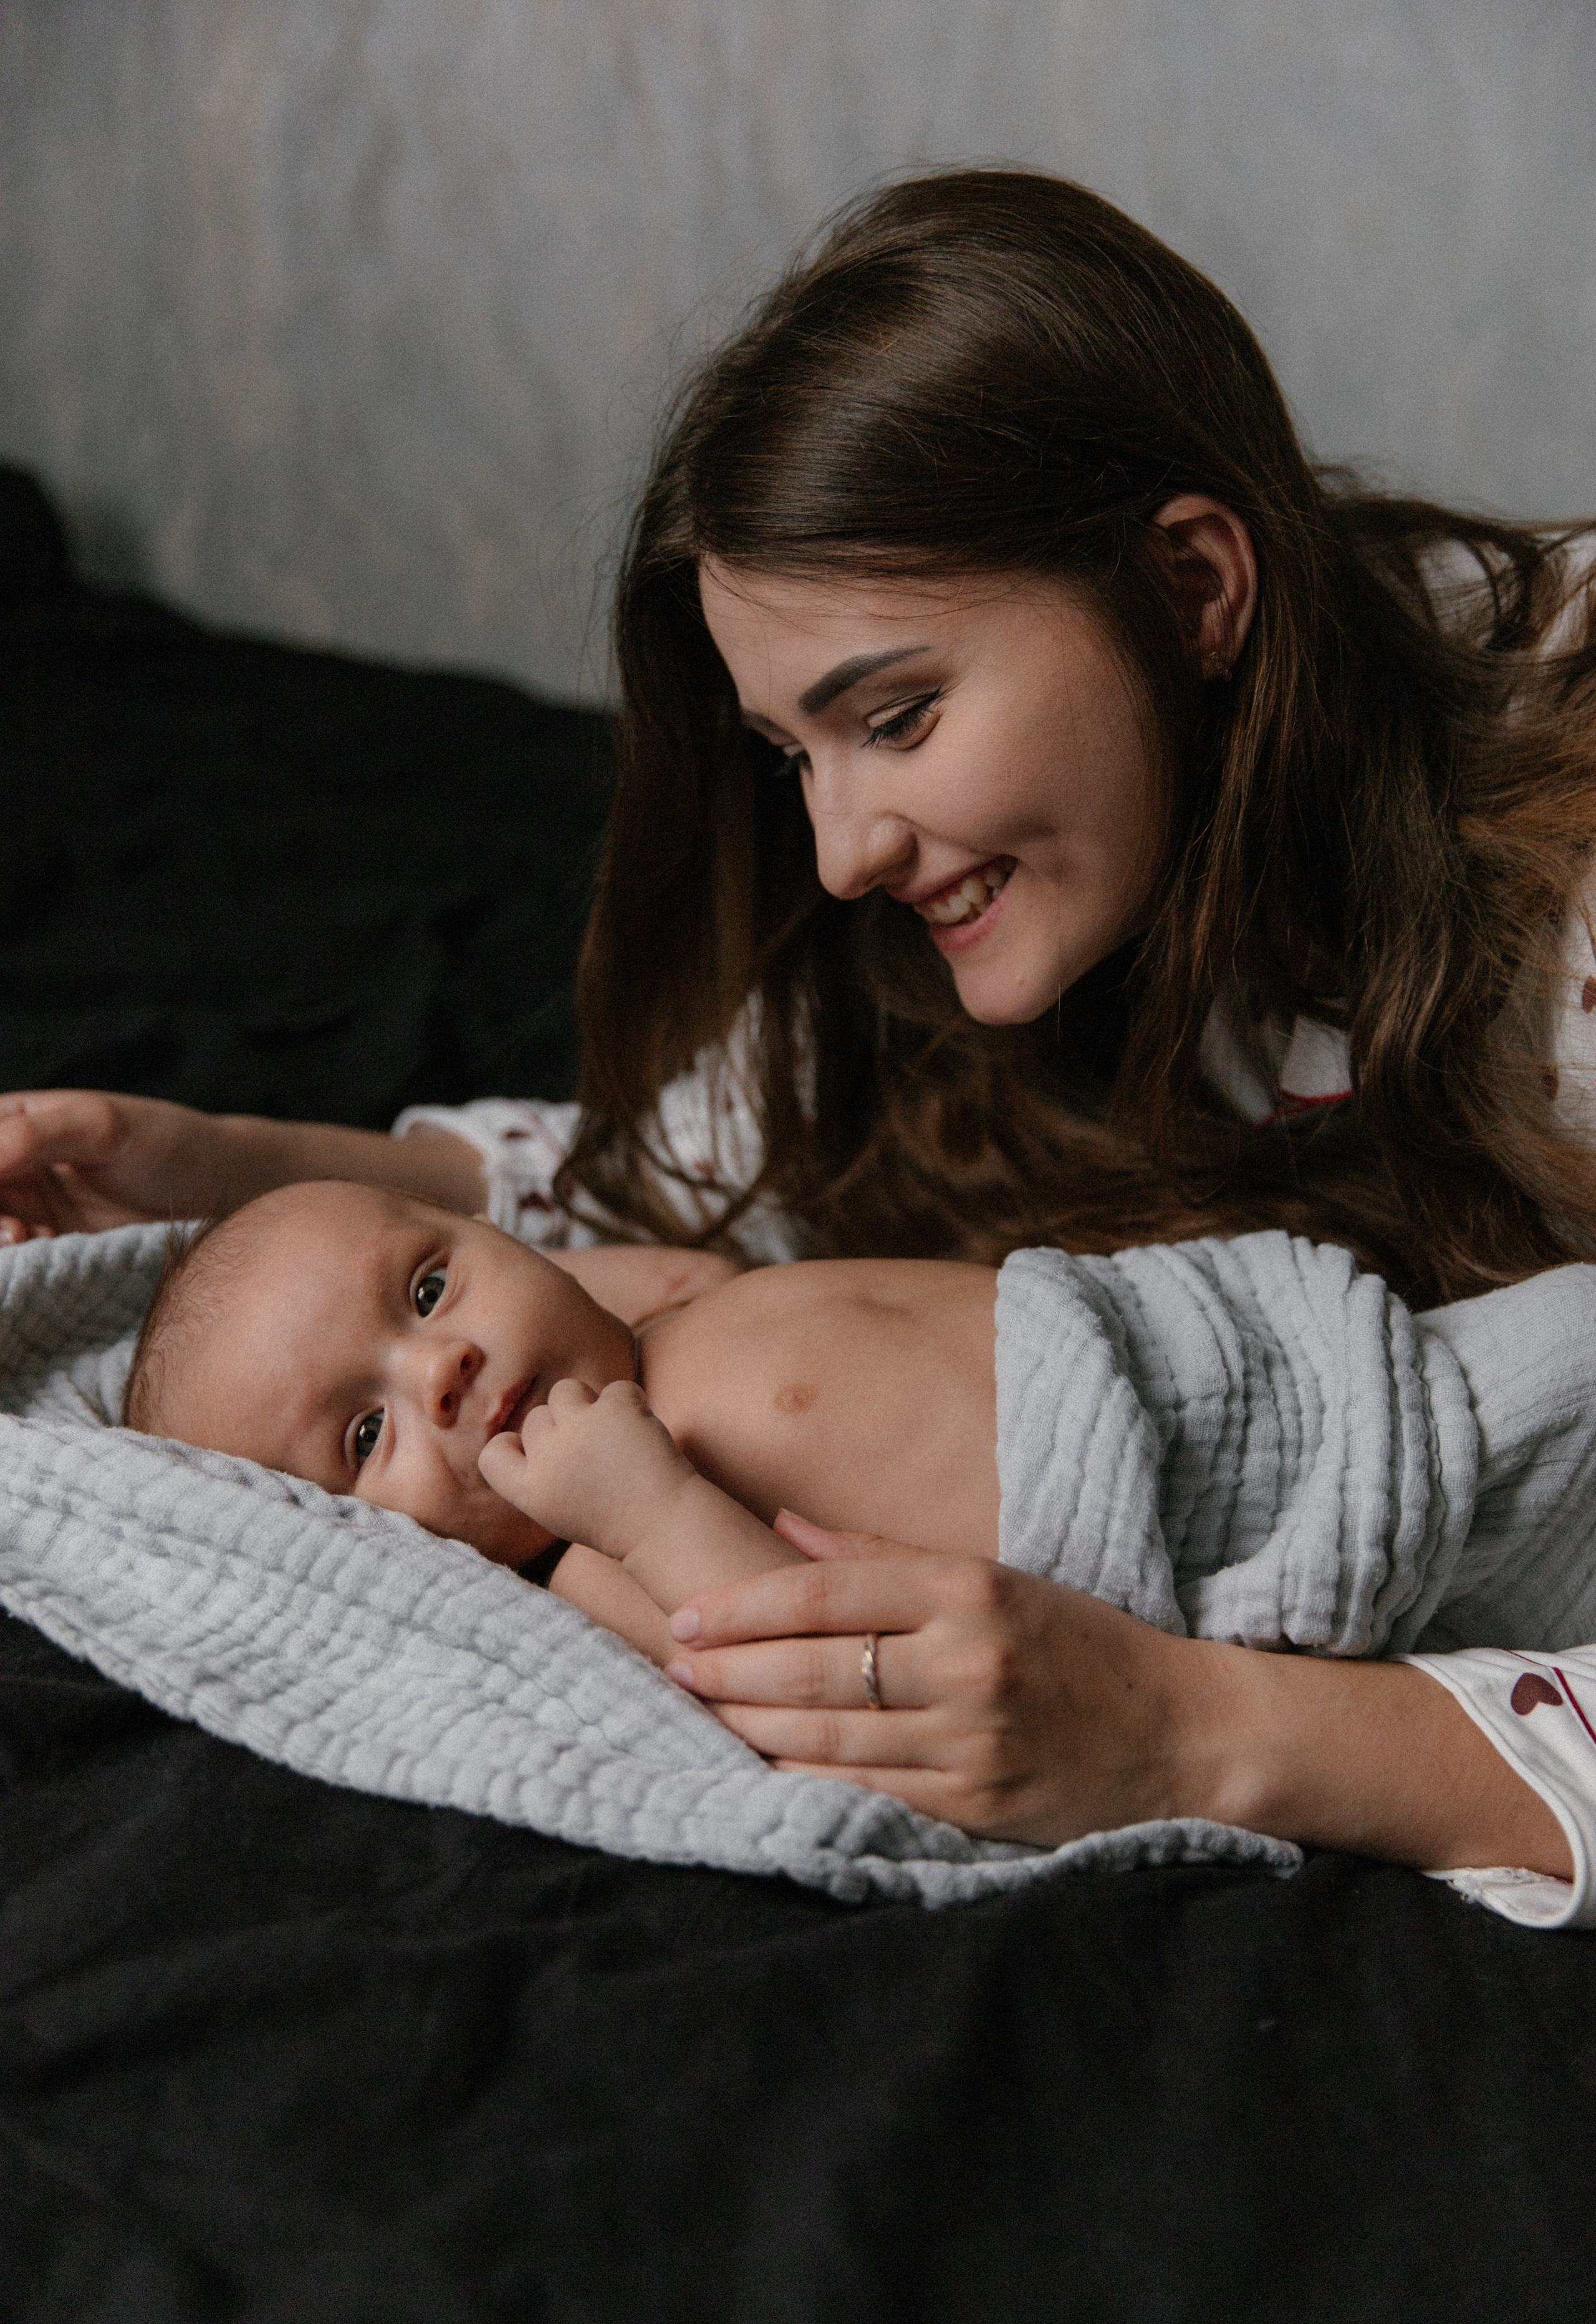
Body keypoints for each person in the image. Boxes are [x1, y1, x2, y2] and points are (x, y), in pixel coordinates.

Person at [2, 169, 1595, 1919]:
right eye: (793, 757)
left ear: (1197, 586)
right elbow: (722, 1155)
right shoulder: (1085, 872)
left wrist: (1192, 1725)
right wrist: (243, 1171)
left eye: (896, 717)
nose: (842, 853)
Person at [113, 1175, 1596, 1902]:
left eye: (426, 1288)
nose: (432, 1369)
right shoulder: (593, 1560)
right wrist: (648, 1508)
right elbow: (817, 1669)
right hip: (1354, 1516)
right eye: (362, 1438)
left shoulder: (652, 1319)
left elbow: (647, 1255)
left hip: (1344, 1379)